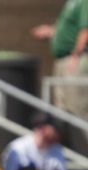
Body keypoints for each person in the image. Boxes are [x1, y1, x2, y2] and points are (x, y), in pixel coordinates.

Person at [31, 1, 88, 132]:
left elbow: (86, 30)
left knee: (77, 109)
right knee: (61, 110)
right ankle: (68, 150)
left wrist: (76, 56)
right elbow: (71, 29)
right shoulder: (72, 2)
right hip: (64, 60)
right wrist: (51, 32)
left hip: (75, 60)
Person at [2, 113, 67, 170]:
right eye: (54, 128)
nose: (57, 133)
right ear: (41, 129)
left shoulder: (57, 149)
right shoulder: (18, 147)